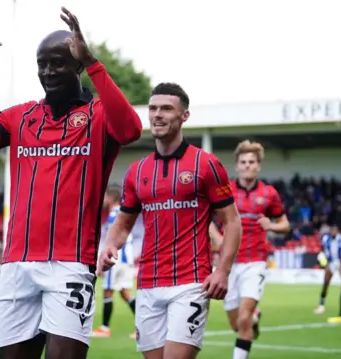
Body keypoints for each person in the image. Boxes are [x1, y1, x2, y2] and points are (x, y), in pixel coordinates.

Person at [0, 7, 142, 359]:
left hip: (71, 263)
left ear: (78, 65)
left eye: (59, 63)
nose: (49, 71)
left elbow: (130, 130)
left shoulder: (98, 115)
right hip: (17, 265)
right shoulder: (20, 118)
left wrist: (95, 63)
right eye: (42, 64)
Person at [98, 83, 242, 359]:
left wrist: (222, 271)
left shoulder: (206, 164)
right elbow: (124, 223)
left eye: (166, 108)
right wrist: (109, 245)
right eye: (153, 108)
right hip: (148, 284)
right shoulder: (137, 171)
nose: (157, 115)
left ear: (184, 116)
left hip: (191, 283)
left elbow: (232, 222)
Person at [208, 140, 290, 359]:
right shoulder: (225, 191)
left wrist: (272, 225)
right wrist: (218, 240)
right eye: (243, 162)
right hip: (228, 264)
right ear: (236, 165)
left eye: (251, 162)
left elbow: (285, 224)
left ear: (258, 166)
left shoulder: (269, 193)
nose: (247, 166)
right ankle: (254, 319)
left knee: (244, 317)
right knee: (237, 324)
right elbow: (206, 220)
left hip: (256, 262)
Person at [92, 186, 136, 339]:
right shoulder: (121, 213)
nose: (103, 200)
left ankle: (104, 328)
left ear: (111, 198)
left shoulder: (114, 215)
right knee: (125, 293)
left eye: (105, 196)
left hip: (115, 259)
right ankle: (142, 327)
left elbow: (113, 239)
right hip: (125, 259)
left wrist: (102, 261)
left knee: (107, 291)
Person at [313, 225, 341, 314]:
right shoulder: (326, 239)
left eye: (334, 230)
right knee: (325, 283)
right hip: (332, 262)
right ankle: (321, 305)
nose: (332, 232)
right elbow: (323, 249)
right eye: (331, 230)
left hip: (340, 262)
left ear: (337, 231)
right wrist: (323, 259)